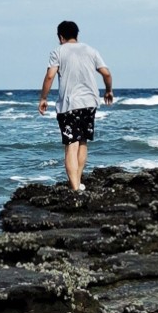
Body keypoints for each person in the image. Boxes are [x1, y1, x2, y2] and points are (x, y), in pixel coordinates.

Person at [38, 20, 114, 193]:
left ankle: (74, 189)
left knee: (71, 144)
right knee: (83, 142)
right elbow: (106, 73)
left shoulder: (58, 51)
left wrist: (43, 98)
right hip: (89, 103)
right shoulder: (91, 50)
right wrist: (108, 90)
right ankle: (78, 183)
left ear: (60, 36)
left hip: (69, 104)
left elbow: (50, 76)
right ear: (77, 34)